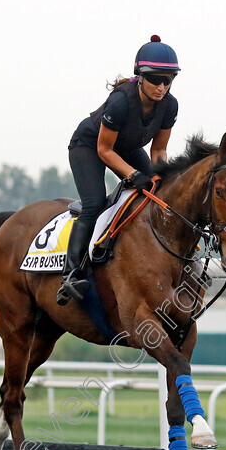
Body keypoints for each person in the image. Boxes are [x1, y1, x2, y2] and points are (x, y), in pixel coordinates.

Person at [56, 35, 181, 305]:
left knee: (155, 192)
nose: (161, 87)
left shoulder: (170, 105)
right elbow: (104, 150)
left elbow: (158, 151)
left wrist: (159, 179)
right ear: (140, 76)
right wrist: (133, 175)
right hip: (90, 146)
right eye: (155, 79)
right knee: (94, 203)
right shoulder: (120, 102)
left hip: (124, 146)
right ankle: (70, 274)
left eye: (167, 80)